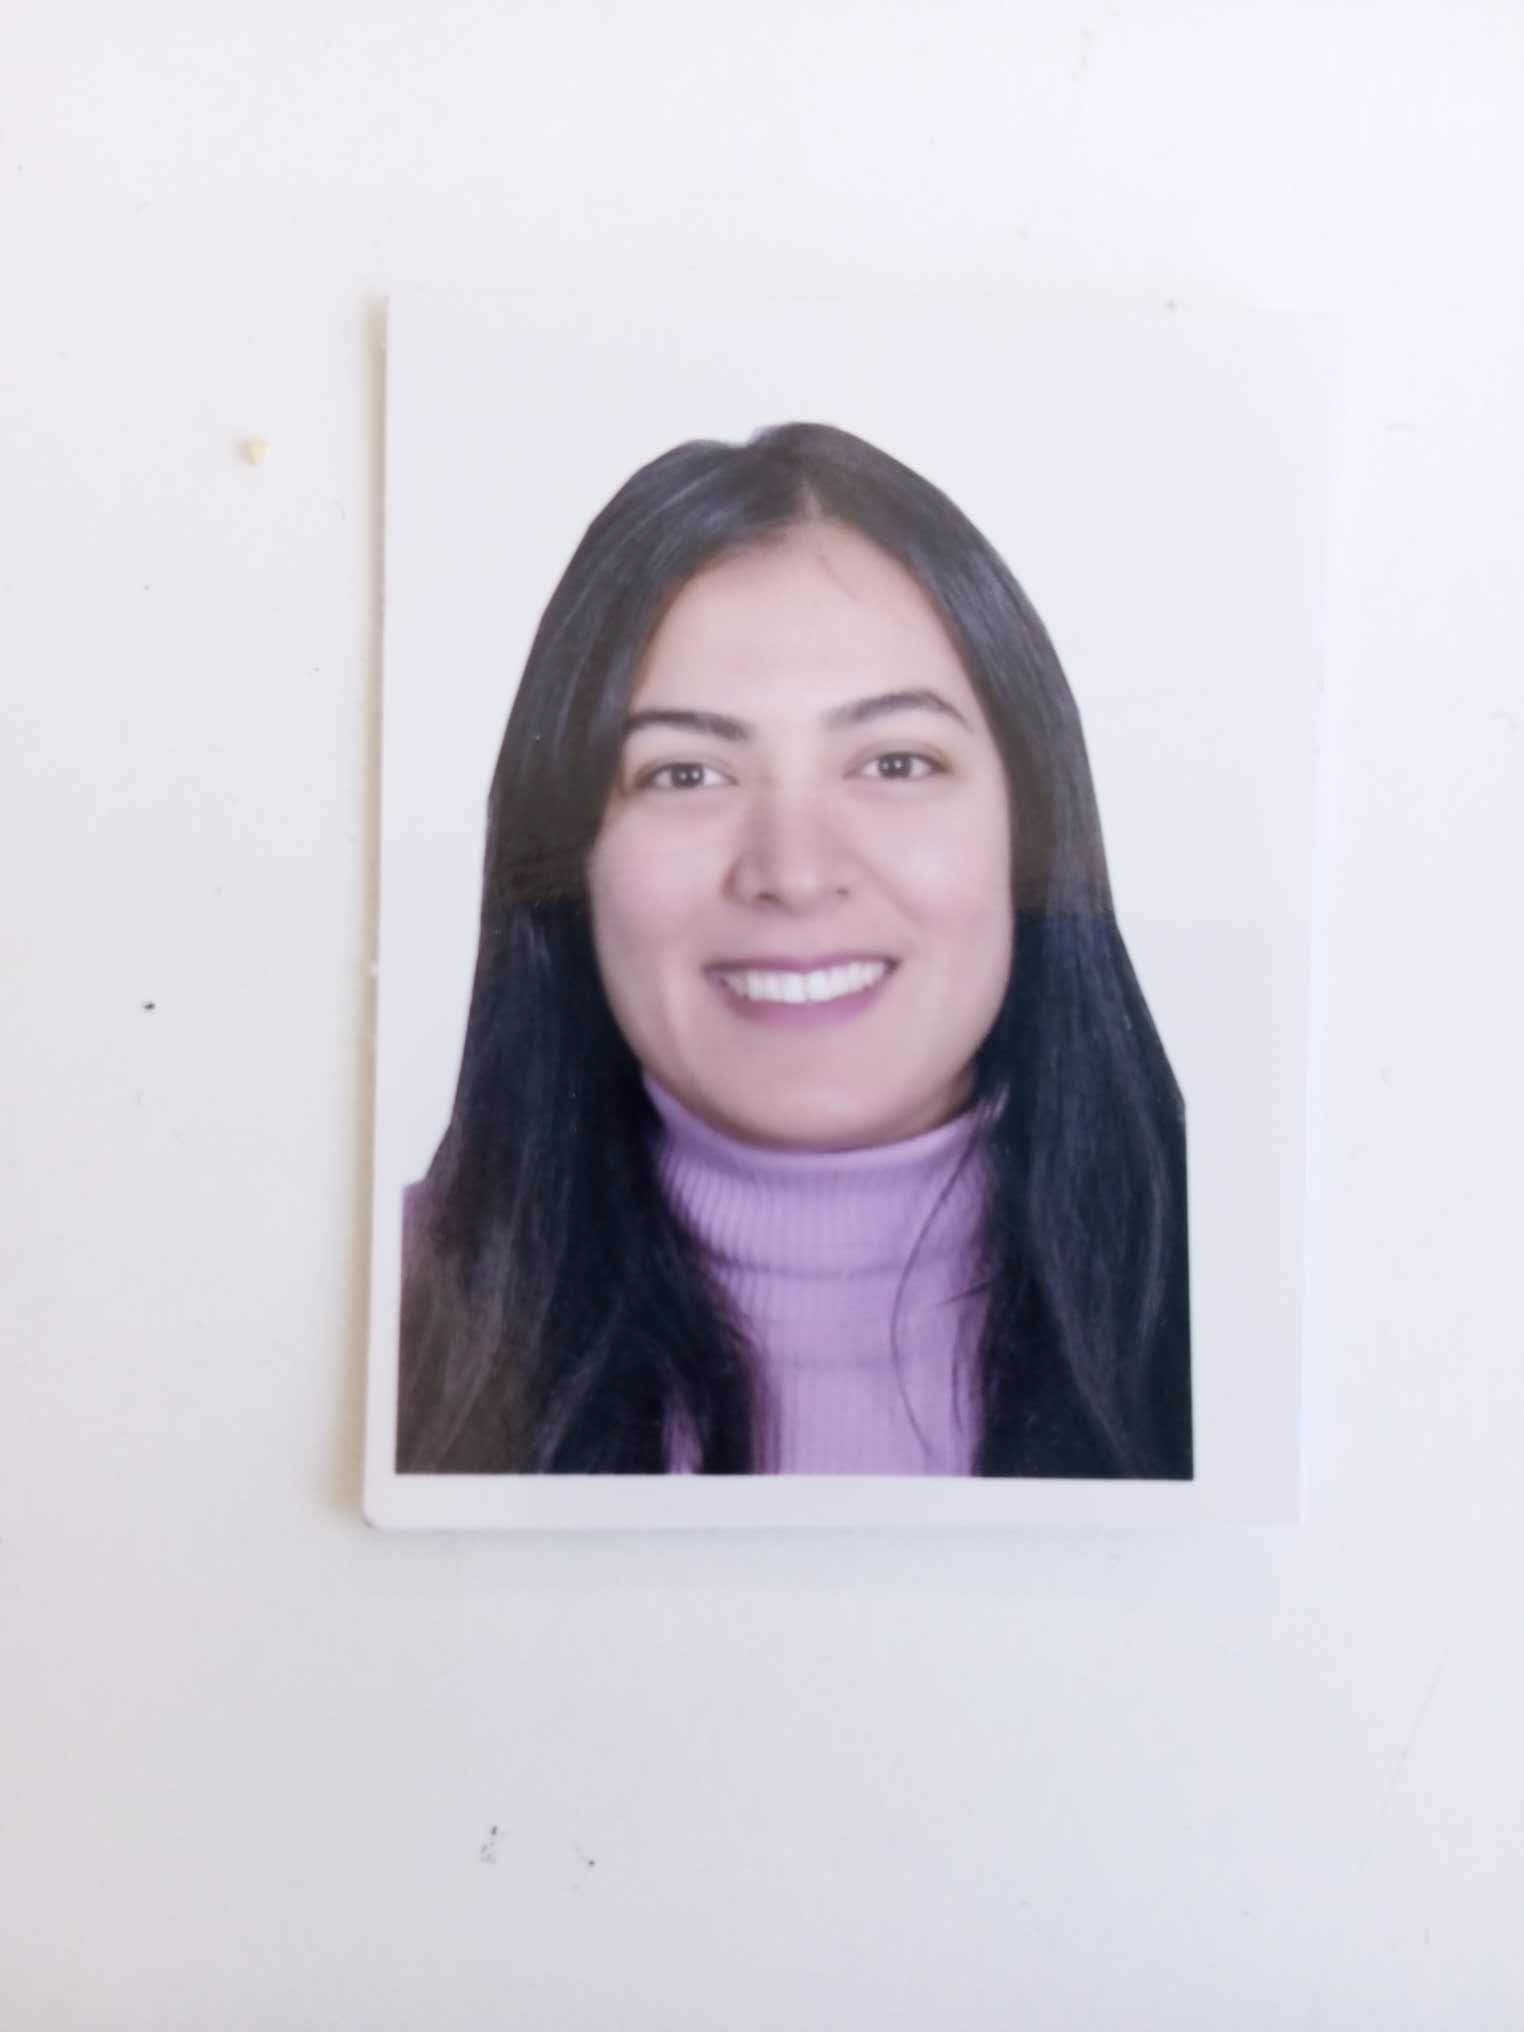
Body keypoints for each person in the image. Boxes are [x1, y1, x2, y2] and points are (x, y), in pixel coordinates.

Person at [397, 422, 1191, 1479]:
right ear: (568, 856)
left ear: (1035, 829)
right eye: (686, 774)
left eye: (895, 762)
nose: (795, 871)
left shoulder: (1239, 1308)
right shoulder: (365, 1317)